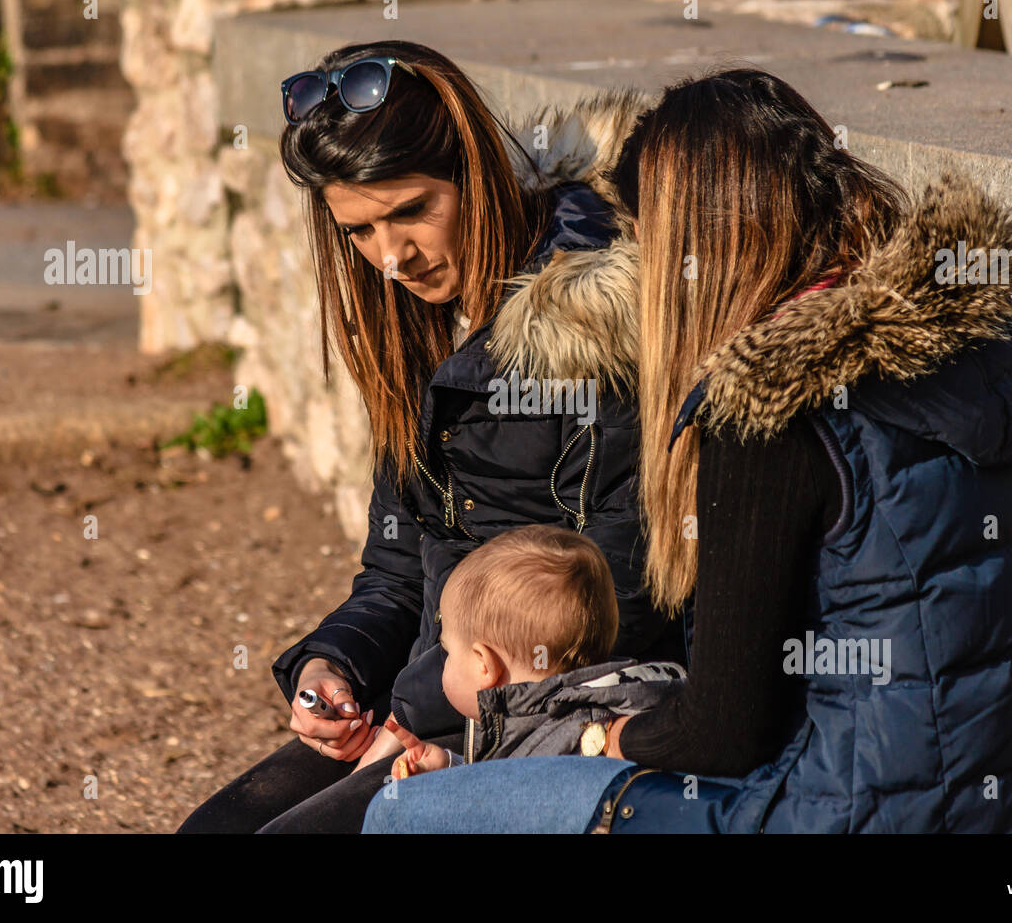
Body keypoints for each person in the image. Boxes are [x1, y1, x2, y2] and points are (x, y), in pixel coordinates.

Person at [361, 68, 1012, 834]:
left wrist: (600, 737)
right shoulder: (978, 342)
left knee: (403, 814)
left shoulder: (770, 412)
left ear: (694, 242)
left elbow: (722, 733)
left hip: (859, 815)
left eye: (643, 236)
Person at [178, 41, 685, 834]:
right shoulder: (419, 335)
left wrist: (416, 710)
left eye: (411, 211)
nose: (390, 257)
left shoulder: (596, 325)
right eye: (359, 230)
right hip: (433, 693)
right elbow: (394, 572)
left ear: (475, 175)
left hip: (555, 717)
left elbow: (625, 595)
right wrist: (333, 670)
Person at [369, 524, 685, 783]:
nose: (443, 661)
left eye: (448, 651)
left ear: (484, 665)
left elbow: (497, 810)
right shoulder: (622, 701)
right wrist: (449, 768)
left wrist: (434, 796)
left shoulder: (552, 749)